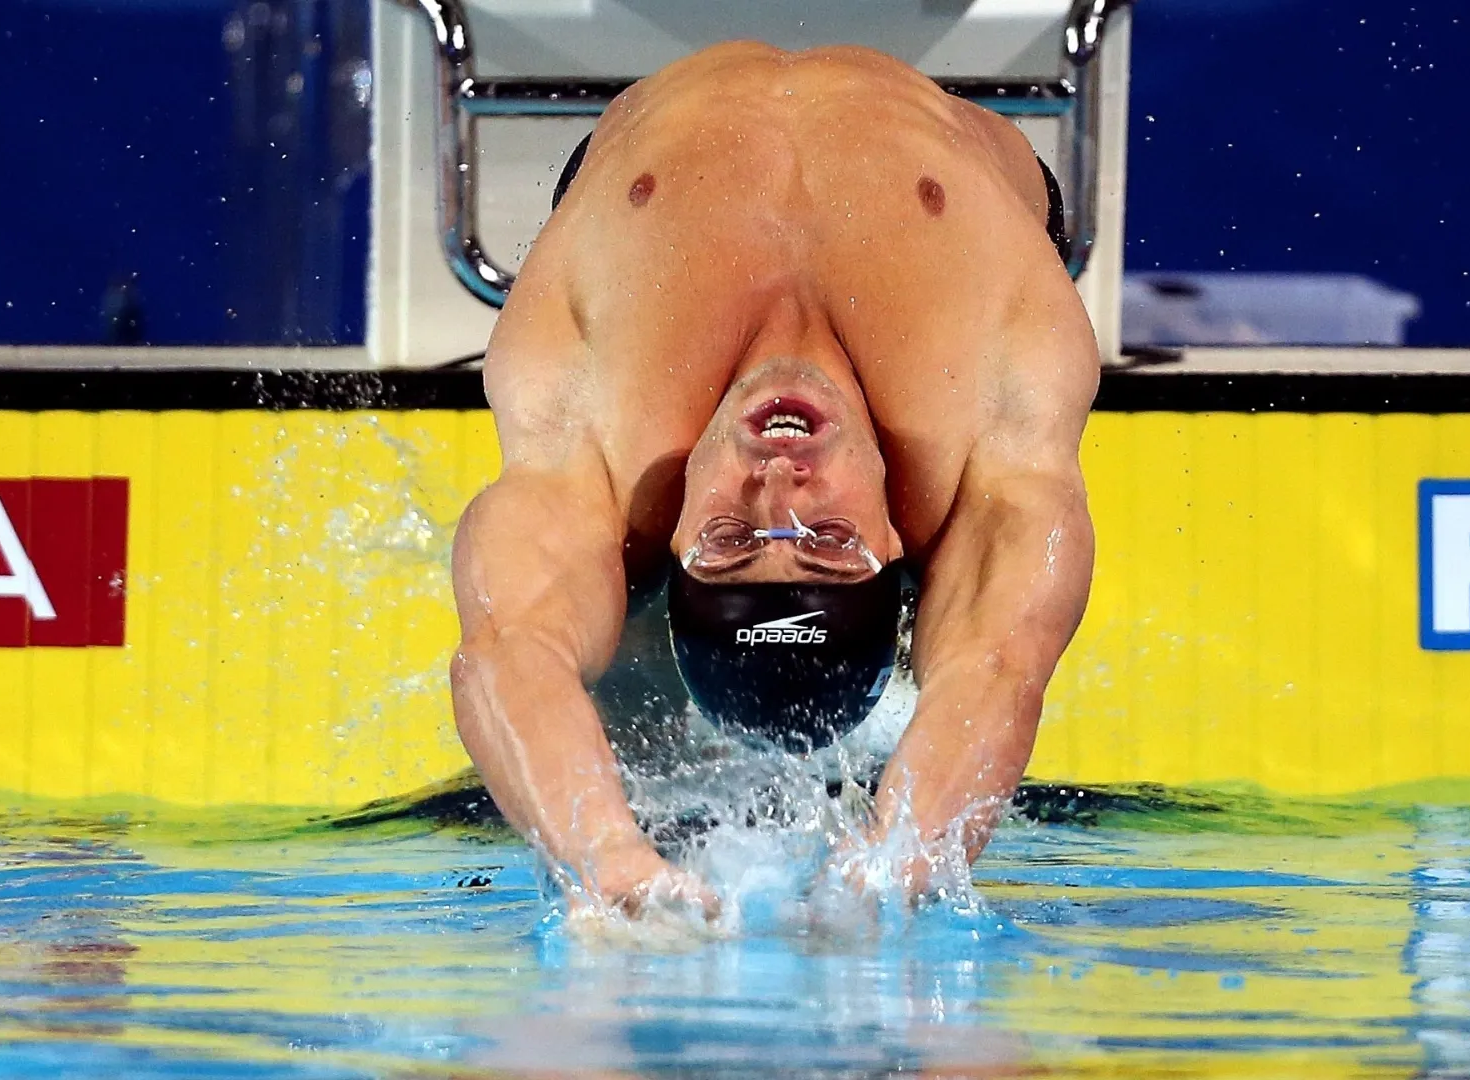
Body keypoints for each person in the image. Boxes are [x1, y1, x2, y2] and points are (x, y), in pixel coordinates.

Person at [449, 41, 1098, 917]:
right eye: (828, 540)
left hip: (656, 137)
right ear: (898, 541)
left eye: (729, 539)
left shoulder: (599, 434)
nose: (778, 488)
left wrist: (610, 866)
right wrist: (889, 873)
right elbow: (999, 665)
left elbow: (506, 651)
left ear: (676, 536)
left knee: (580, 628)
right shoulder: (982, 422)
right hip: (954, 146)